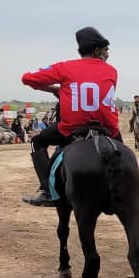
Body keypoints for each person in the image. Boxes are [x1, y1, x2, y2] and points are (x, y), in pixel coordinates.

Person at [20, 26, 118, 206]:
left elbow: (27, 78)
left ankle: (47, 190)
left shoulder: (65, 67)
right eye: (105, 50)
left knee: (37, 142)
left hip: (72, 127)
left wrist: (56, 89)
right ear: (96, 50)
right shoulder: (111, 71)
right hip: (108, 128)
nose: (108, 54)